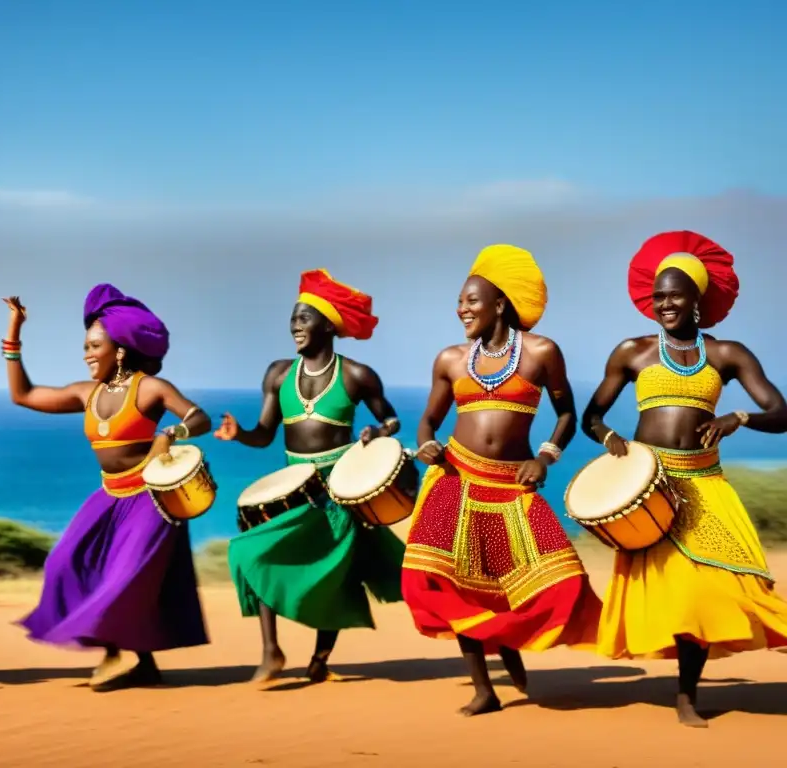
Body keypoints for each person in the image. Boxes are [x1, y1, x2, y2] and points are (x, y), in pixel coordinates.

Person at [581, 230, 787, 727]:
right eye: (658, 296)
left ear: (697, 297)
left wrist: (738, 418)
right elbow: (591, 417)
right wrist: (610, 439)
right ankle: (686, 697)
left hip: (705, 485)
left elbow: (780, 412)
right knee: (677, 594)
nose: (665, 304)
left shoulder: (726, 354)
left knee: (723, 585)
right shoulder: (631, 352)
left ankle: (686, 689)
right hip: (649, 487)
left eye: (675, 294)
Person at [402, 244, 603, 716]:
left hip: (514, 483)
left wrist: (547, 457)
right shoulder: (450, 359)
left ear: (500, 303)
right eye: (460, 301)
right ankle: (483, 689)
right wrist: (426, 445)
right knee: (439, 580)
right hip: (455, 476)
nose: (462, 309)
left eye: (472, 300)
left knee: (560, 580)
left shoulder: (541, 352)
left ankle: (507, 640)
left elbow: (567, 413)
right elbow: (428, 422)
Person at [4, 283, 211, 692]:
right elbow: (22, 395)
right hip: (109, 497)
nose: (85, 353)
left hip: (151, 499)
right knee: (63, 564)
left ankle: (114, 653)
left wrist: (172, 431)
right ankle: (143, 663)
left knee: (125, 580)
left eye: (93, 346)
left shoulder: (151, 388)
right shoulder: (86, 394)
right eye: (84, 345)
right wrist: (15, 332)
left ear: (118, 350)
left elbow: (199, 418)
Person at [214, 268, 406, 684]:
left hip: (339, 488)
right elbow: (265, 434)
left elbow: (391, 418)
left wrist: (378, 431)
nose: (295, 325)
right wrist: (239, 434)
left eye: (304, 317)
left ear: (328, 324)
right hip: (294, 486)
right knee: (249, 553)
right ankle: (271, 651)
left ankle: (319, 660)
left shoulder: (356, 375)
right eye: (293, 318)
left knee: (337, 577)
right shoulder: (278, 374)